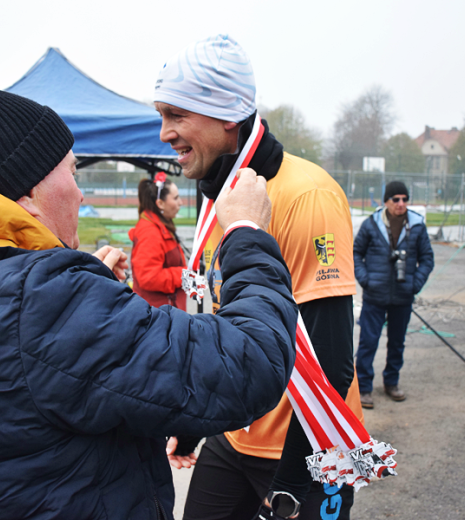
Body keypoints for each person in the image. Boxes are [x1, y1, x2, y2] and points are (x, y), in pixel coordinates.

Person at [0, 86, 299, 520]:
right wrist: (247, 235)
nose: (80, 193)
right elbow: (250, 365)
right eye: (72, 171)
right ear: (26, 196)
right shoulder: (44, 299)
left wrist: (88, 296)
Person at [154, 35, 363, 519]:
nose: (164, 133)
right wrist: (193, 425)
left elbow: (332, 362)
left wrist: (290, 487)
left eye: (177, 115)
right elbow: (219, 318)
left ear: (228, 114)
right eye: (161, 115)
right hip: (237, 430)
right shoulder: (226, 194)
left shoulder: (306, 194)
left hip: (310, 449)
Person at [353, 181, 434, 409]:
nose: (401, 204)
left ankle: (391, 382)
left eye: (405, 199)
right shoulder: (371, 224)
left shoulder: (417, 225)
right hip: (374, 295)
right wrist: (366, 280)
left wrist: (415, 283)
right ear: (386, 201)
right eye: (396, 199)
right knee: (368, 343)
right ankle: (364, 387)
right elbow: (356, 253)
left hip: (403, 296)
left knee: (397, 343)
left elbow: (427, 258)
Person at [128, 176, 187, 309]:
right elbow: (149, 277)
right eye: (176, 198)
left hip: (164, 312)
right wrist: (184, 275)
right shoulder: (150, 232)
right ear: (160, 204)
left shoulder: (159, 226)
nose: (181, 203)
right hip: (159, 316)